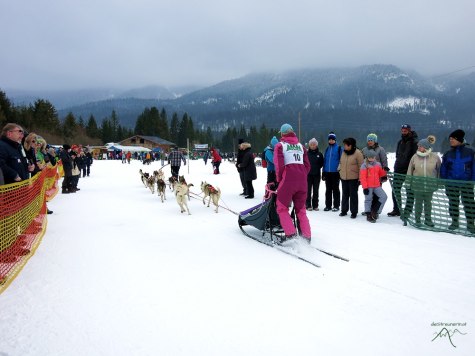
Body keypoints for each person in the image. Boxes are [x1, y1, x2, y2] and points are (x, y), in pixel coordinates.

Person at [274, 123, 311, 241]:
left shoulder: (280, 146)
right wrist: (302, 175)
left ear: (282, 134)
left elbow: (279, 166)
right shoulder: (301, 146)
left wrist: (279, 180)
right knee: (301, 210)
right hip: (302, 182)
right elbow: (307, 166)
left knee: (282, 208)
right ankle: (306, 236)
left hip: (288, 181)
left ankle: (291, 235)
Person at [440, 129, 475, 233]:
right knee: (453, 203)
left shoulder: (470, 152)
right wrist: (444, 180)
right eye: (450, 139)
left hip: (466, 183)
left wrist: (472, 180)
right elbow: (444, 168)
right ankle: (455, 221)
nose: (450, 141)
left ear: (459, 140)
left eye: (452, 139)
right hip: (451, 183)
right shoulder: (448, 153)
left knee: (469, 204)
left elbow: (474, 167)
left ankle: (470, 223)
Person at [406, 135, 441, 227]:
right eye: (418, 146)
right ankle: (417, 220)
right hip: (417, 186)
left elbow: (439, 171)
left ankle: (428, 220)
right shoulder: (414, 157)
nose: (418, 147)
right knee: (418, 204)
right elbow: (410, 170)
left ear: (425, 147)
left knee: (428, 204)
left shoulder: (435, 157)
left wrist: (439, 183)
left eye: (420, 146)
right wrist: (408, 182)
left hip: (430, 186)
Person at [388, 124, 418, 217]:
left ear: (409, 130)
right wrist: (396, 166)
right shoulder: (400, 142)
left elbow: (415, 157)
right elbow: (398, 155)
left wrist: (412, 169)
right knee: (395, 190)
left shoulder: (414, 142)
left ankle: (408, 211)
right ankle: (397, 209)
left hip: (409, 171)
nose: (404, 132)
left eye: (405, 130)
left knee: (409, 191)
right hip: (398, 169)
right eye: (402, 130)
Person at [361, 133, 389, 216]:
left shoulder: (380, 149)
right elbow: (362, 161)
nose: (369, 142)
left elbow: (384, 161)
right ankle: (368, 211)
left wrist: (384, 174)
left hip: (377, 174)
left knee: (377, 195)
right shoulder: (364, 150)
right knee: (368, 195)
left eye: (371, 140)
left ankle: (375, 211)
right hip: (367, 174)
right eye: (368, 140)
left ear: (375, 141)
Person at [339, 137, 364, 218]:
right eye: (344, 145)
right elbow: (341, 162)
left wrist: (360, 179)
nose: (345, 146)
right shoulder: (344, 152)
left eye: (346, 145)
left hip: (354, 178)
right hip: (344, 177)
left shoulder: (358, 153)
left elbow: (361, 167)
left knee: (353, 195)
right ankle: (344, 210)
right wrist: (339, 170)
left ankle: (354, 212)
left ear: (351, 145)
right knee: (345, 194)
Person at [360, 150, 388, 223]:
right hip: (368, 186)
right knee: (368, 199)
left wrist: (384, 170)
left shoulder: (378, 164)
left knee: (383, 196)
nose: (371, 159)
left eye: (372, 157)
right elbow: (363, 178)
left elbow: (381, 174)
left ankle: (375, 211)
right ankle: (368, 214)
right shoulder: (364, 165)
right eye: (369, 157)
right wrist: (365, 187)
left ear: (375, 157)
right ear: (367, 157)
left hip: (376, 185)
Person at [322, 132, 342, 212]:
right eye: (329, 139)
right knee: (328, 189)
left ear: (335, 140)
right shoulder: (327, 149)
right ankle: (328, 205)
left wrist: (340, 171)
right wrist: (323, 172)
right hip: (327, 172)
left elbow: (341, 160)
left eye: (332, 139)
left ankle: (336, 205)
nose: (331, 141)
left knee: (336, 189)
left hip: (335, 172)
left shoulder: (339, 148)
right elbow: (325, 161)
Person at [306, 138, 324, 211]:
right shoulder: (306, 154)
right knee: (308, 190)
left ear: (316, 145)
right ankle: (308, 205)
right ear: (309, 146)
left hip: (316, 175)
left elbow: (321, 164)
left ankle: (315, 205)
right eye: (311, 144)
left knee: (316, 190)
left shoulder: (319, 154)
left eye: (314, 144)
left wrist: (316, 168)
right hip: (308, 175)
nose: (313, 146)